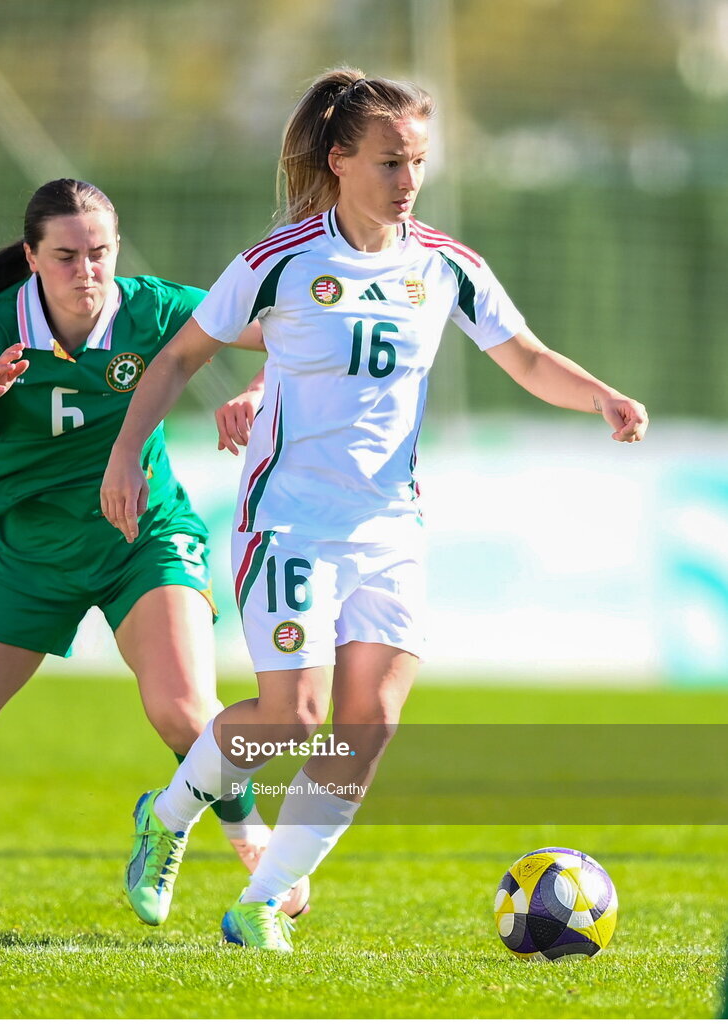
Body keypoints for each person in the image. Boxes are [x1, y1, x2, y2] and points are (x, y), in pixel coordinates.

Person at [100, 69, 649, 952]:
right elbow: (178, 358)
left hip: (391, 526)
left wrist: (601, 398)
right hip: (288, 523)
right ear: (341, 159)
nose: (408, 181)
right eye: (391, 162)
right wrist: (125, 454)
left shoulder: (445, 265)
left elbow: (529, 357)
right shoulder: (278, 262)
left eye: (419, 162)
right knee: (294, 720)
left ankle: (262, 905)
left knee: (371, 724)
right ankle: (166, 817)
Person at [0, 178, 283, 936]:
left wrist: (255, 391)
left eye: (101, 252)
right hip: (32, 555)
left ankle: (259, 856)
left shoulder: (153, 306)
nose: (88, 271)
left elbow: (295, 333)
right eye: (67, 255)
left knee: (185, 713)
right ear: (32, 257)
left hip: (142, 539)